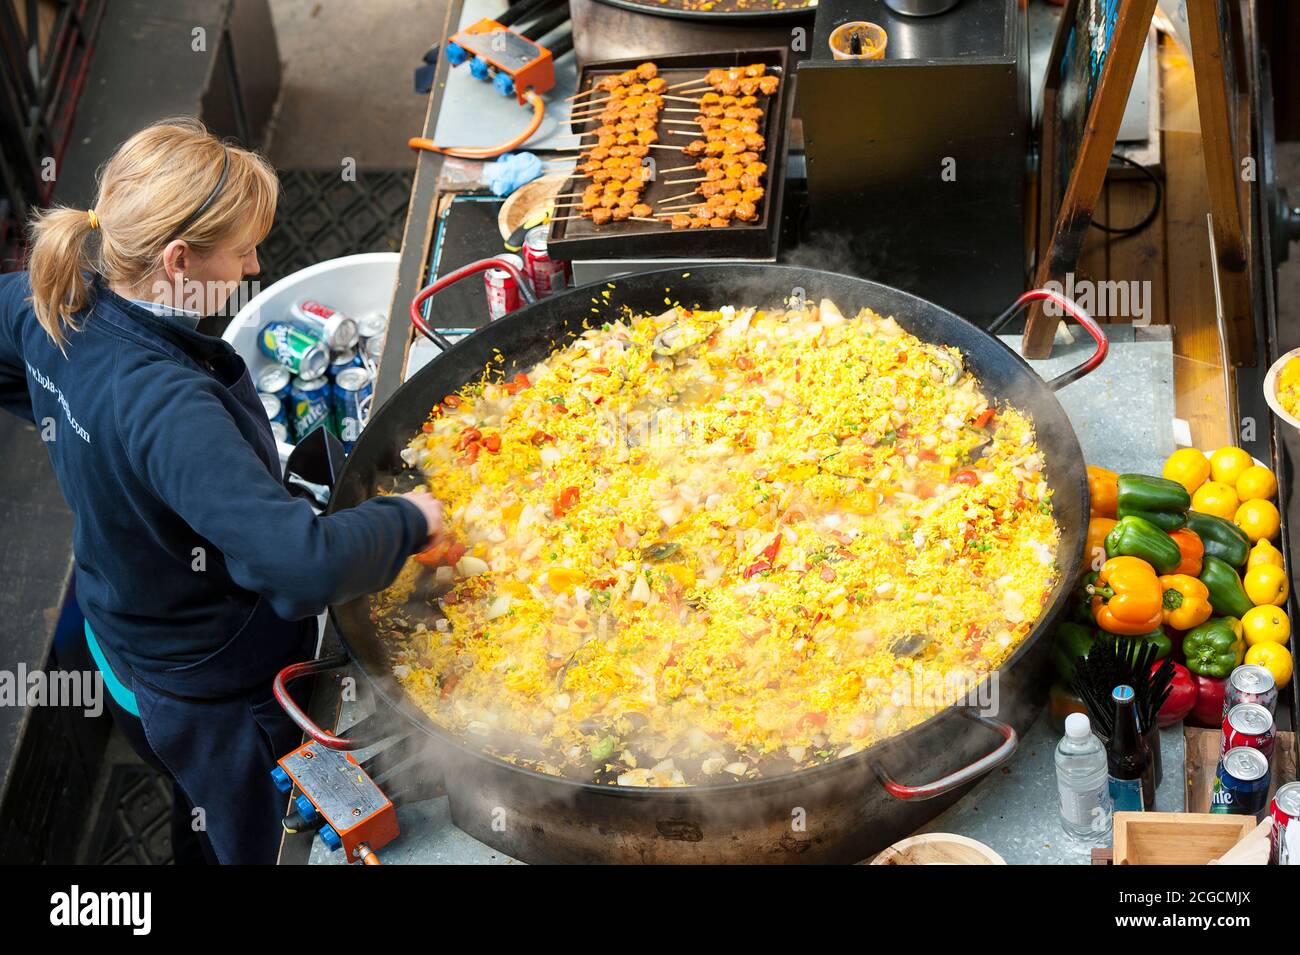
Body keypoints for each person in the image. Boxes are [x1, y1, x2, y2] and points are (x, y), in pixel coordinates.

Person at [0, 118, 444, 864]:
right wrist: (410, 517)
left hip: (127, 637)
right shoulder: (170, 408)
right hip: (217, 688)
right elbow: (301, 568)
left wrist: (73, 429)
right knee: (255, 834)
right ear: (178, 260)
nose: (254, 263)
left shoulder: (52, 298)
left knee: (190, 789)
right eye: (242, 250)